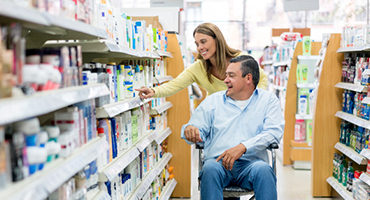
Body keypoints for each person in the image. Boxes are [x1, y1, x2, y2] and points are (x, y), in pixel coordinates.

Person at [181, 55, 284, 200]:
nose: (225, 80)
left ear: (248, 79)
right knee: (209, 168)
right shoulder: (213, 101)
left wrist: (243, 147)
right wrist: (191, 129)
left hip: (252, 165)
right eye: (226, 75)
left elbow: (273, 133)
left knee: (264, 170)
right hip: (218, 164)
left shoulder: (268, 101)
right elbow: (196, 127)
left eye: (231, 75)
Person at [135, 23, 268, 99]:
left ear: (217, 40)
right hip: (219, 119)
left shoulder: (241, 59)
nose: (200, 48)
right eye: (197, 44)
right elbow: (175, 85)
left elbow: (262, 78)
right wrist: (154, 91)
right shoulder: (199, 68)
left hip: (246, 114)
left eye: (203, 42)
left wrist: (257, 101)